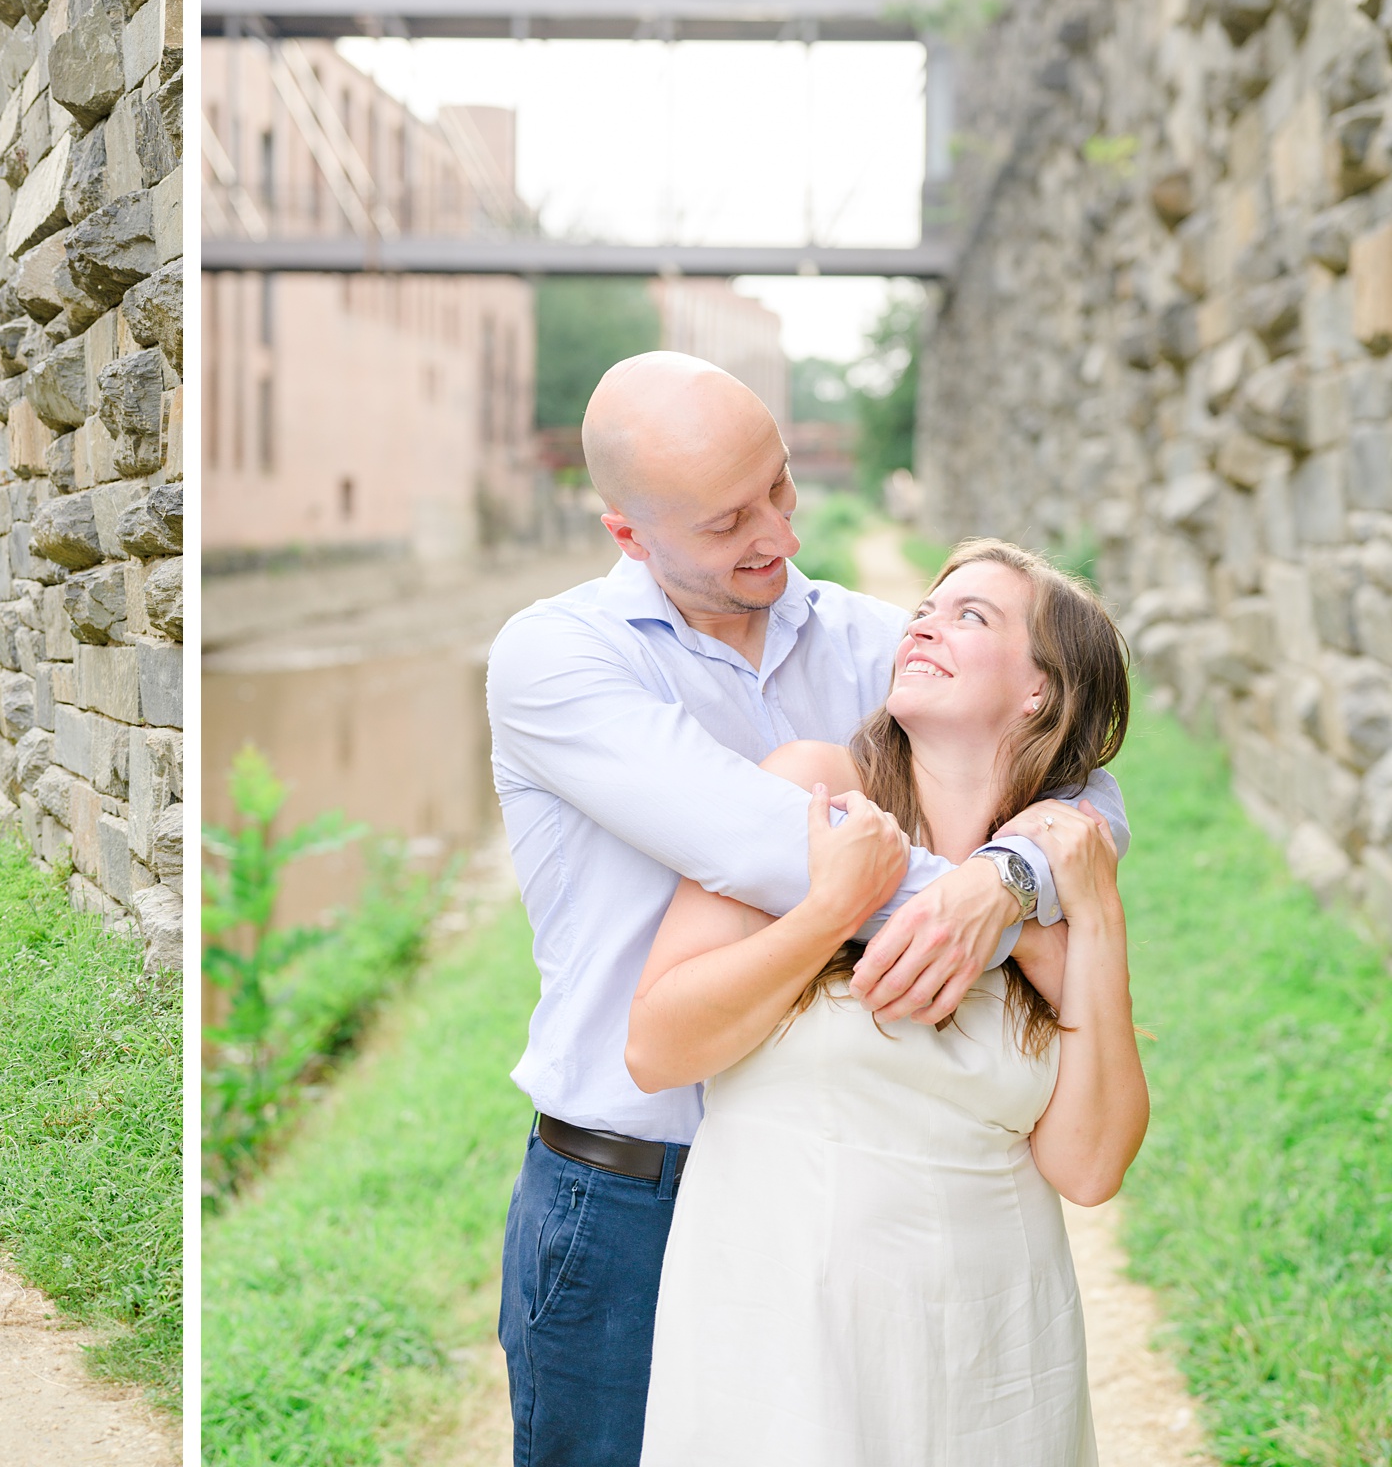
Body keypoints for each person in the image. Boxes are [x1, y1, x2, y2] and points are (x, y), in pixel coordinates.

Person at [484, 353, 1131, 1467]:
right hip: (629, 1188)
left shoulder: (873, 642)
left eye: (780, 488)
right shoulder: (557, 659)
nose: (779, 535)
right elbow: (768, 845)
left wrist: (1010, 880)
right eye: (731, 519)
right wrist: (1027, 921)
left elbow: (1078, 772)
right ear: (631, 535)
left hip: (835, 1191)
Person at [631, 541, 1143, 1464]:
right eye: (926, 608)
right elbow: (658, 1049)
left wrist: (1090, 917)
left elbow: (1092, 1166)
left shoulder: (1054, 873)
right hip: (786, 1331)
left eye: (971, 616)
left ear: (1039, 691)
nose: (924, 624)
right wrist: (833, 907)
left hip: (996, 1345)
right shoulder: (813, 792)